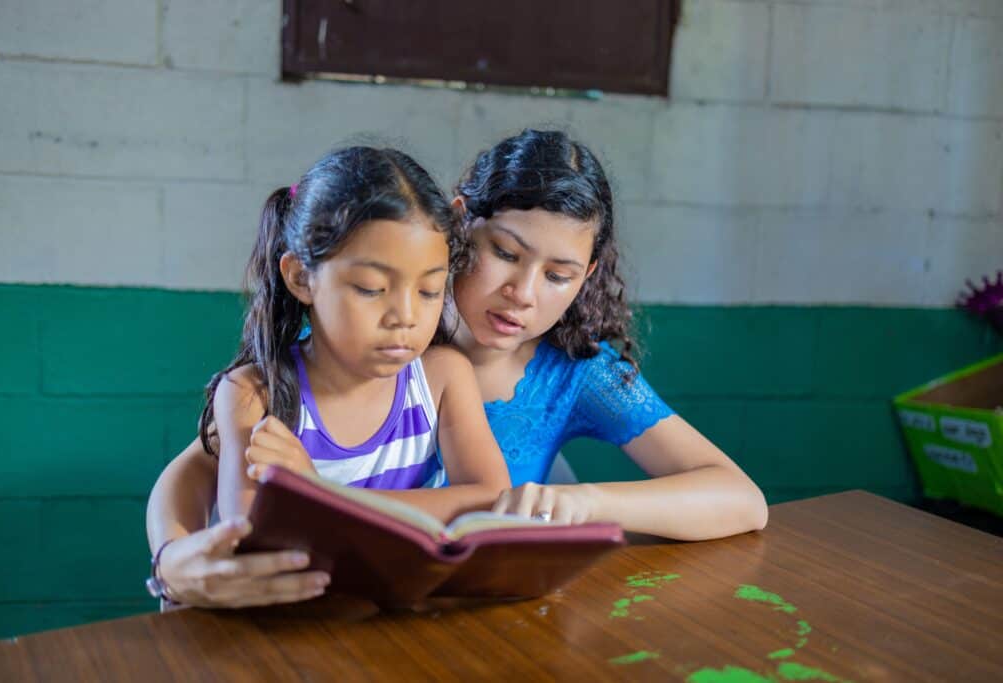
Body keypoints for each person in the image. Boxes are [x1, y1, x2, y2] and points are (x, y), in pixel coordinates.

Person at [146, 130, 768, 608]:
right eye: (503, 252)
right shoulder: (372, 333)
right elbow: (205, 465)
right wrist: (172, 559)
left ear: (589, 276)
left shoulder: (575, 372)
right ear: (459, 224)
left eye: (558, 276)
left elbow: (740, 500)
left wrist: (579, 502)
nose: (523, 294)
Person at [146, 147, 510, 606]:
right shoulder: (254, 396)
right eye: (371, 289)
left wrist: (318, 494)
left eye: (429, 289)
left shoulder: (441, 377)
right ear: (301, 277)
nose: (405, 315)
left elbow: (491, 499)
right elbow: (256, 542)